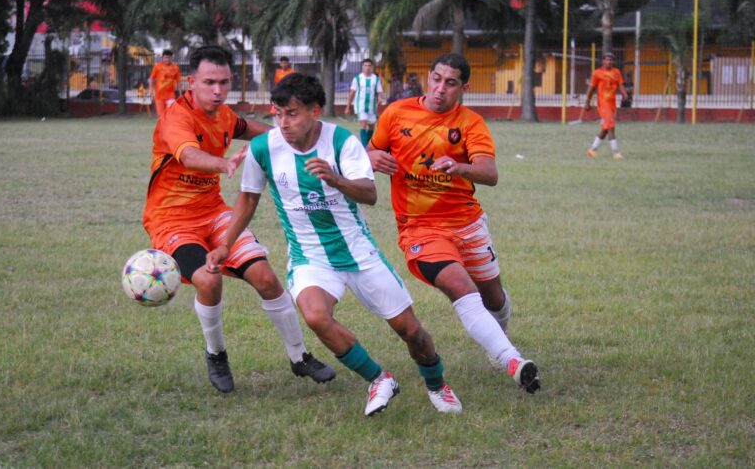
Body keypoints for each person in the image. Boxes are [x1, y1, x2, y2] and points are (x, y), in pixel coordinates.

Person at [207, 73, 463, 416]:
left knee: (411, 331)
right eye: (278, 114)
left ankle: (437, 384)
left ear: (315, 111)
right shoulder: (263, 148)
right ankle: (379, 379)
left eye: (292, 114)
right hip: (309, 256)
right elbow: (248, 199)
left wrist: (335, 178)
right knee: (315, 315)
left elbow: (369, 194)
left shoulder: (342, 141)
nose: (283, 123)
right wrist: (226, 244)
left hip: (359, 253)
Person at [142, 45, 335, 394]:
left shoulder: (225, 116)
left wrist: (305, 133)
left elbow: (261, 131)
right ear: (191, 82)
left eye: (224, 82)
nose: (218, 90)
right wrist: (224, 163)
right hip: (172, 220)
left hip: (214, 213)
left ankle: (299, 356)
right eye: (209, 82)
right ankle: (216, 354)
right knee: (209, 280)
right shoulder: (176, 118)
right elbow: (189, 155)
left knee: (266, 277)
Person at [368, 53, 541, 395]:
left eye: (450, 83)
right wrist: (369, 156)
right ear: (428, 77)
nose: (440, 88)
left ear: (464, 87)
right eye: (436, 79)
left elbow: (489, 173)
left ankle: (498, 340)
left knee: (494, 297)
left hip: (467, 223)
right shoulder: (396, 113)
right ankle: (512, 361)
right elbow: (366, 154)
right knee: (462, 287)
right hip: (419, 228)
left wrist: (460, 167)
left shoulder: (470, 123)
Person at [585, 52, 629, 159]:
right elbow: (591, 88)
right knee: (611, 126)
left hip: (612, 104)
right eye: (607, 59)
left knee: (606, 128)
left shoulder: (616, 72)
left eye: (610, 60)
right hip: (603, 104)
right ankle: (616, 152)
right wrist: (587, 101)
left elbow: (620, 84)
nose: (609, 61)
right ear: (603, 61)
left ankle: (592, 150)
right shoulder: (597, 73)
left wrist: (624, 93)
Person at [345, 59, 384, 147]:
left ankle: (367, 144)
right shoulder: (357, 79)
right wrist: (348, 106)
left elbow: (379, 92)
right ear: (362, 67)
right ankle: (364, 146)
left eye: (369, 66)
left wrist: (380, 99)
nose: (367, 68)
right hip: (361, 106)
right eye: (365, 65)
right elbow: (352, 93)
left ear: (372, 67)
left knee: (371, 126)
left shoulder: (376, 79)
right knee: (363, 123)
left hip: (372, 107)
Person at [148, 49, 182, 117]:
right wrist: (150, 89)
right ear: (162, 58)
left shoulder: (175, 68)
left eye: (169, 57)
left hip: (170, 96)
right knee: (161, 116)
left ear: (171, 58)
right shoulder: (157, 66)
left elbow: (178, 81)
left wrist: (180, 94)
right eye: (166, 57)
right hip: (159, 96)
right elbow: (151, 79)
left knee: (171, 114)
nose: (167, 59)